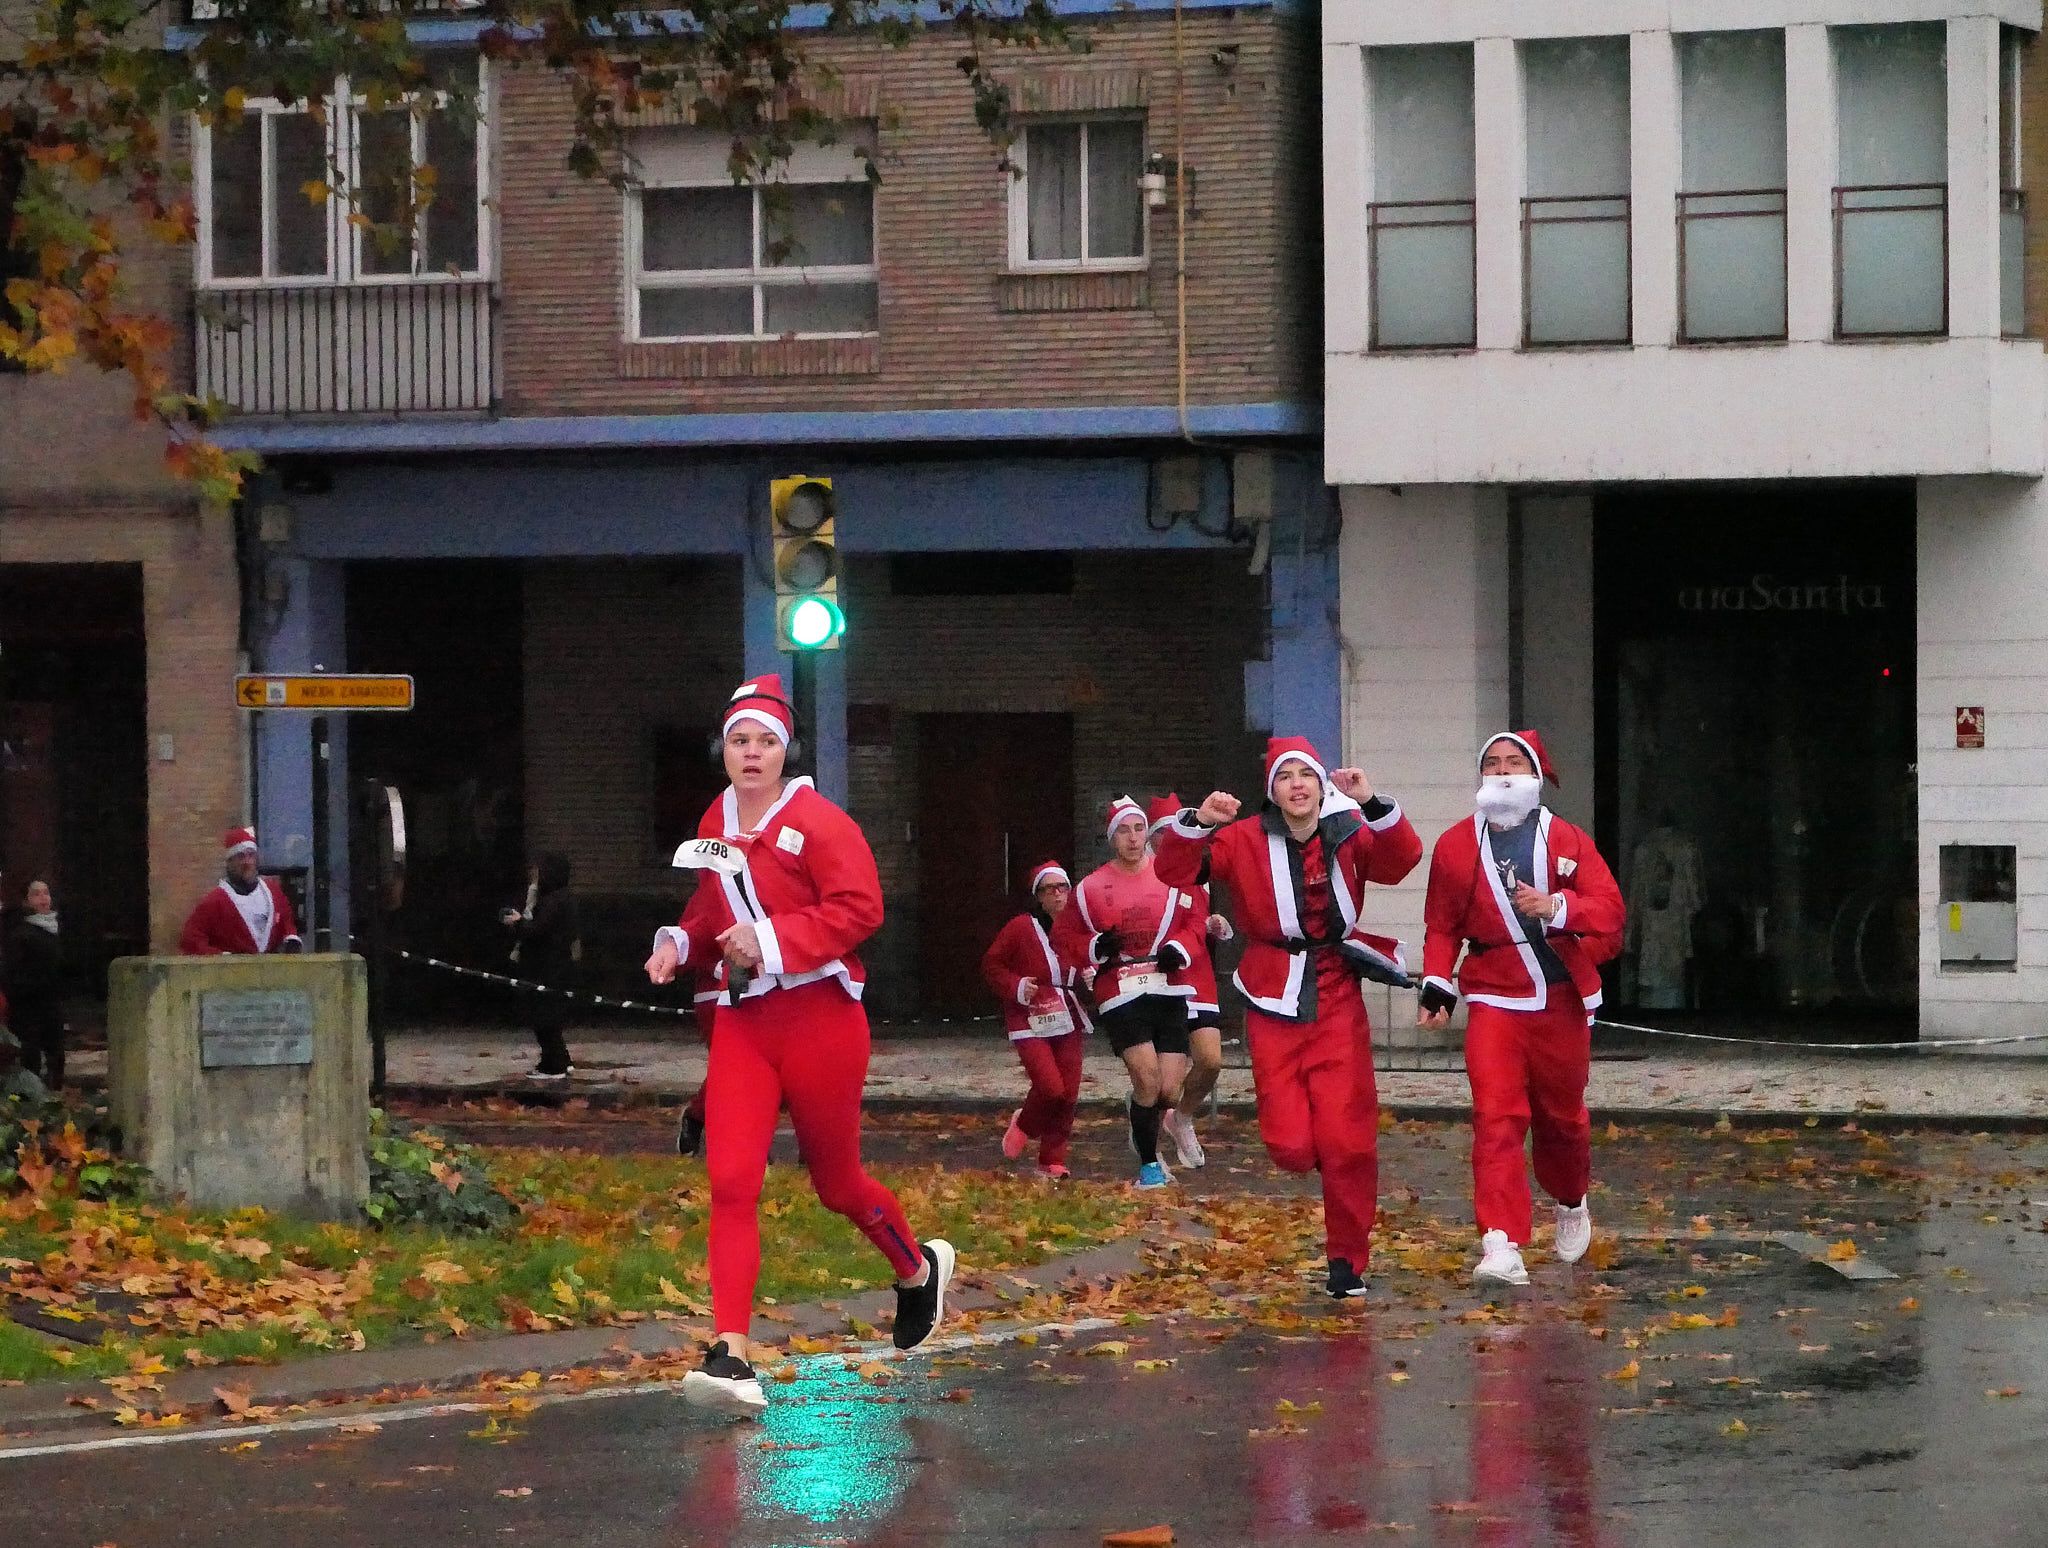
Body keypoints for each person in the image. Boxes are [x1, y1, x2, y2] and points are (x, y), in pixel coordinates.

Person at [644, 674, 954, 1416]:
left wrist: (771, 939)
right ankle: (730, 1353)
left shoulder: (821, 822)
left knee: (837, 1185)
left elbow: (861, 909)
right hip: (745, 1023)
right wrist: (679, 942)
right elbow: (711, 908)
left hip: (822, 1019)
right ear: (722, 749)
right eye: (739, 741)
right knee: (731, 1182)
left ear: (786, 751)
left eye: (765, 741)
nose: (751, 753)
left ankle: (917, 1270)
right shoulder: (715, 818)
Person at [1154, 738, 1421, 1299]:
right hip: (1273, 993)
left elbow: (1402, 861)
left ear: (1321, 786)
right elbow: (1174, 871)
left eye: (1306, 774)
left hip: (1338, 993)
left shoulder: (1350, 829)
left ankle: (1346, 1259)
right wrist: (1199, 823)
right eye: (1285, 776)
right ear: (1272, 791)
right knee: (1290, 1146)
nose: (1297, 784)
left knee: (1348, 1143)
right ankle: (1327, 1159)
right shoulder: (1244, 838)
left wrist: (1371, 801)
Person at [1417, 730, 1625, 1290]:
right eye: (1492, 763)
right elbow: (1442, 924)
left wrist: (1557, 905)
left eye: (1514, 762)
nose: (1503, 772)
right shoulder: (1455, 844)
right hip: (1492, 997)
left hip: (1559, 999)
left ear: (1535, 774)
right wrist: (1436, 984)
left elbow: (1610, 912)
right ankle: (1501, 1241)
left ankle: (1571, 1198)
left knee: (1562, 1118)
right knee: (1496, 1117)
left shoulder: (1568, 839)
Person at [1053, 796, 1205, 1189]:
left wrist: (1179, 949)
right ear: (1112, 838)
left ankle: (1140, 1110)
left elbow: (1195, 922)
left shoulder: (1172, 876)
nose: (1133, 838)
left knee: (1169, 1088)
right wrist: (1095, 947)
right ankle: (1149, 1167)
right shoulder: (1090, 887)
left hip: (1168, 986)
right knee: (1149, 1078)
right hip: (1120, 991)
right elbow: (1064, 937)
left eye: (1139, 829)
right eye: (1124, 830)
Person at [981, 860, 1093, 1181]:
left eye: (1063, 888)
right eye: (1049, 889)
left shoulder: (1079, 930)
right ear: (1038, 896)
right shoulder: (1021, 928)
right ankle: (1025, 1123)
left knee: (1068, 1093)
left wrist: (1090, 979)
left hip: (1067, 1015)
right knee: (1050, 1087)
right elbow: (992, 964)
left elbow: (1093, 965)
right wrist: (1017, 986)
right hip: (1029, 1016)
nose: (1058, 895)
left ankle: (1052, 1159)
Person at [1145, 793, 1232, 1171]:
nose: (1168, 840)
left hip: (1196, 975)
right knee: (1164, 1080)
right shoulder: (1141, 875)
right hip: (1157, 980)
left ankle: (1181, 1118)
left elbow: (1198, 919)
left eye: (1173, 831)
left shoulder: (1194, 872)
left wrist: (1214, 926)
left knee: (1211, 1061)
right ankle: (1149, 1149)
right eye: (1161, 833)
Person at [500, 853, 580, 1080]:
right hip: (551, 965)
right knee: (547, 1018)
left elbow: (537, 930)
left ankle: (554, 1065)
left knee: (545, 1018)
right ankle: (558, 1060)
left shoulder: (555, 901)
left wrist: (518, 923)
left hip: (548, 968)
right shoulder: (556, 898)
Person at [178, 829, 304, 955]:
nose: (247, 862)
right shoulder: (214, 901)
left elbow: (286, 922)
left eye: (251, 855)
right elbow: (190, 941)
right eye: (240, 856)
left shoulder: (274, 893)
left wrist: (291, 939)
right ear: (229, 862)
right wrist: (221, 957)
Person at [5, 880, 66, 1090]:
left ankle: (54, 1097)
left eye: (46, 893)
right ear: (27, 901)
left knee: (56, 1054)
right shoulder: (21, 934)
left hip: (51, 1003)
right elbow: (13, 973)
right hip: (28, 1006)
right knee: (30, 1056)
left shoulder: (56, 929)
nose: (43, 898)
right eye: (36, 894)